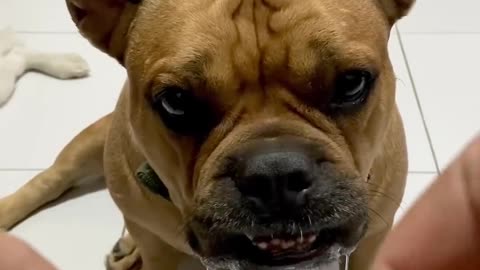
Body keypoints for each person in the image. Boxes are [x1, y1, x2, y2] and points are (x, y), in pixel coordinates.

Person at [1, 136, 479, 270]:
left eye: (347, 87)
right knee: (119, 140)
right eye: (184, 104)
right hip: (158, 196)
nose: (275, 176)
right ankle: (42, 186)